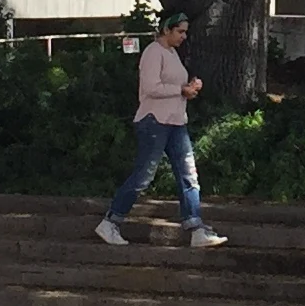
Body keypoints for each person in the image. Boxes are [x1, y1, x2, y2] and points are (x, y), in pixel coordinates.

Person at [95, 15, 227, 248]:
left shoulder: (173, 54)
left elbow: (175, 87)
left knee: (189, 175)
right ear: (167, 29)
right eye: (180, 32)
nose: (184, 37)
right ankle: (110, 222)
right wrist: (181, 89)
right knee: (143, 176)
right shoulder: (153, 52)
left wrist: (189, 87)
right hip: (154, 121)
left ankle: (196, 228)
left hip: (176, 122)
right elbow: (150, 87)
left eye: (185, 32)